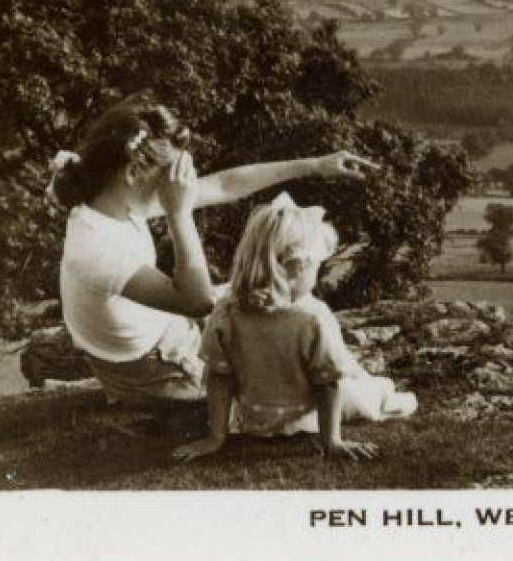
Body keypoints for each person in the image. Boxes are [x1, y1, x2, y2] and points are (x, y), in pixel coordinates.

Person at [50, 94, 377, 405]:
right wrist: (178, 212)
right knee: (293, 359)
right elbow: (198, 301)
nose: (174, 184)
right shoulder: (96, 248)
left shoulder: (109, 202)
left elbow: (224, 185)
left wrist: (316, 165)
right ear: (133, 173)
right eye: (168, 174)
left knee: (269, 301)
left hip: (161, 332)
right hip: (157, 370)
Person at [172, 194, 417, 462]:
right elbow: (327, 383)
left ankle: (376, 386)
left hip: (253, 419)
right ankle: (388, 396)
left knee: (349, 374)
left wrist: (216, 436)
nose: (317, 273)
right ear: (298, 267)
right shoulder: (313, 317)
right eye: (315, 266)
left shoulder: (227, 311)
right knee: (364, 399)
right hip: (307, 414)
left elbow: (220, 376)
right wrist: (331, 440)